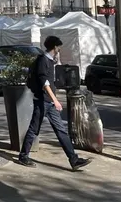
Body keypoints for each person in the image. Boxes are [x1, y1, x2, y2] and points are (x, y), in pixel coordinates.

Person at [17, 35, 91, 171]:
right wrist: (56, 100)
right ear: (55, 47)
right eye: (59, 46)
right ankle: (23, 155)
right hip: (42, 101)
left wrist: (53, 101)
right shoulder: (43, 61)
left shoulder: (49, 60)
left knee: (61, 130)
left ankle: (74, 160)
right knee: (34, 129)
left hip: (49, 103)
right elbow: (45, 83)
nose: (60, 49)